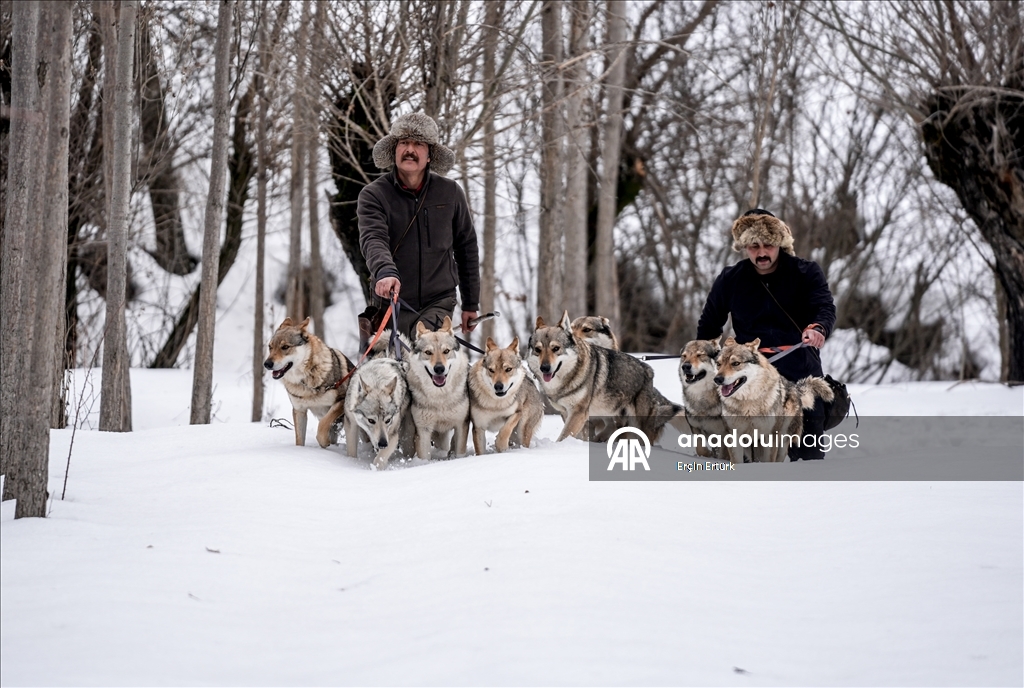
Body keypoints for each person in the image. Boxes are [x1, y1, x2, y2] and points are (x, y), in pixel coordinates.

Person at [696, 209, 836, 460]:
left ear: (780, 243)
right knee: (750, 459)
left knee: (806, 457)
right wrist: (703, 355)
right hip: (748, 374)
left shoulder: (806, 272)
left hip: (799, 367)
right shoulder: (730, 279)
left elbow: (824, 307)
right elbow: (708, 327)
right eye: (753, 245)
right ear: (743, 246)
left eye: (768, 245)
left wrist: (818, 328)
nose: (761, 253)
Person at [357, 112, 480, 345]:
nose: (409, 149)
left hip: (439, 301)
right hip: (391, 303)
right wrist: (385, 272)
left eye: (418, 144)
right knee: (391, 374)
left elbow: (466, 248)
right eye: (403, 143)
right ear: (395, 150)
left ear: (430, 155)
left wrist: (471, 304)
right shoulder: (373, 195)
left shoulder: (451, 192)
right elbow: (373, 239)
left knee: (427, 363)